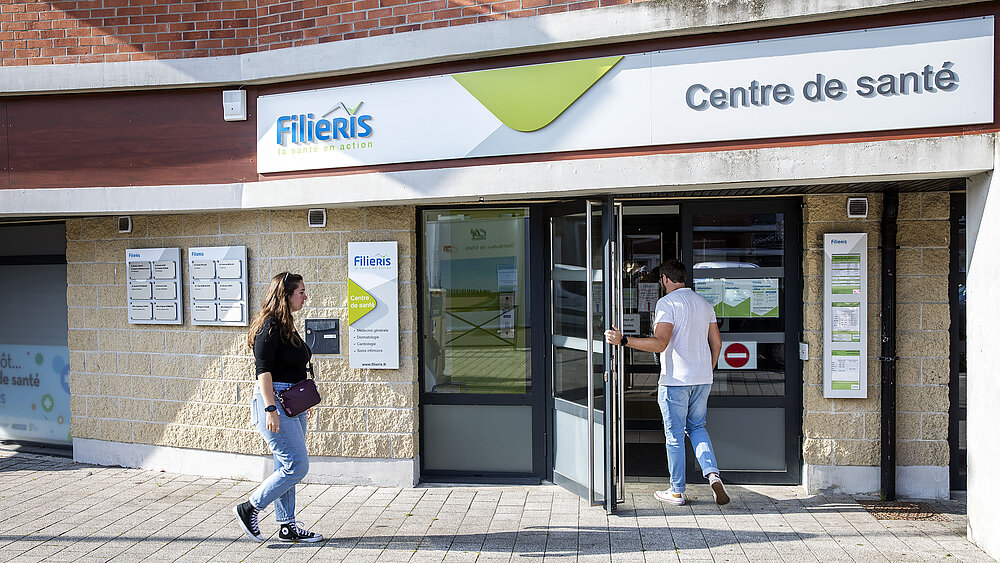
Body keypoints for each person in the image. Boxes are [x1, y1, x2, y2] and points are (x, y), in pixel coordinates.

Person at [605, 259, 730, 506]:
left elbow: (660, 343)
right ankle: (713, 475)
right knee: (697, 428)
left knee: (674, 435)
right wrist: (707, 369)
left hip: (676, 381)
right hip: (702, 379)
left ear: (664, 278)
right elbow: (717, 344)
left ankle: (677, 491)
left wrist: (623, 341)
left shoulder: (667, 303)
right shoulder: (704, 304)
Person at [233, 272, 323, 542]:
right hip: (275, 402)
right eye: (301, 292)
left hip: (293, 403)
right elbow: (263, 372)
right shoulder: (268, 326)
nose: (305, 296)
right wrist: (271, 409)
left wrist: (302, 402)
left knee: (284, 465)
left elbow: (294, 368)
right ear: (285, 295)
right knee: (296, 466)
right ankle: (250, 507)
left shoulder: (287, 325)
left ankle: (286, 525)